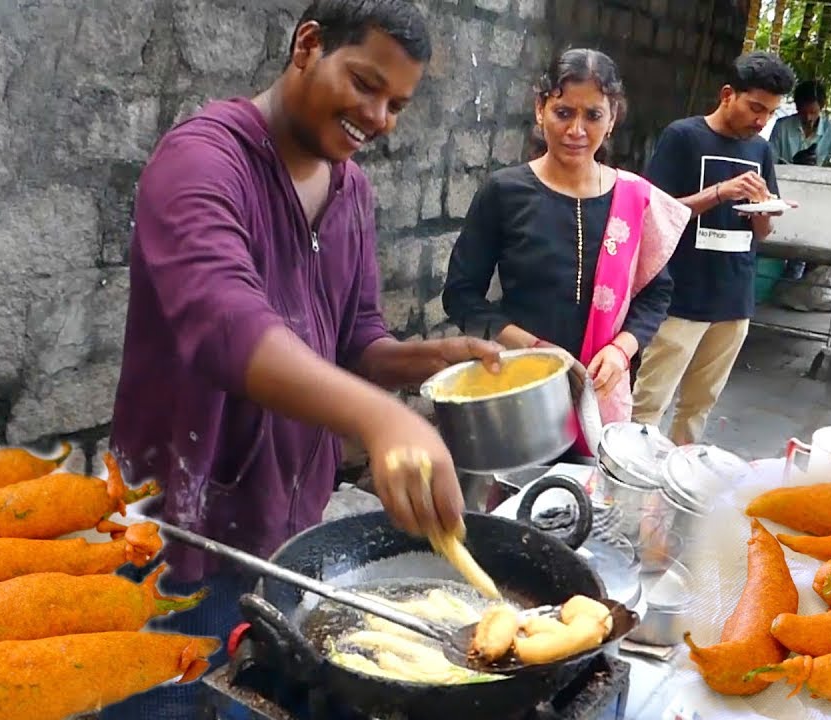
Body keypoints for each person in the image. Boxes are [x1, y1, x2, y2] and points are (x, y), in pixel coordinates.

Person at [104, 1, 502, 716]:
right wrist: (384, 423)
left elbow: (354, 341)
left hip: (289, 534)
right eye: (365, 83)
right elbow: (224, 324)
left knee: (253, 699)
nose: (379, 117)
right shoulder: (200, 161)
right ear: (308, 45)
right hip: (176, 537)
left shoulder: (351, 192)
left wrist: (434, 360)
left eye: (397, 104)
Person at [441, 48, 690, 451]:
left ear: (612, 120)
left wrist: (621, 350)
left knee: (587, 504)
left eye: (593, 115)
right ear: (541, 109)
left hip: (601, 392)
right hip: (521, 386)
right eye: (563, 112)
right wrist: (534, 349)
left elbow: (656, 293)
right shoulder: (505, 191)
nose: (577, 129)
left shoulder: (633, 199)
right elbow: (461, 295)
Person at [631, 51, 796, 445]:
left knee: (699, 405)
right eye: (755, 107)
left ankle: (675, 482)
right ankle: (625, 477)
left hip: (735, 298)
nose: (760, 121)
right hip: (680, 297)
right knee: (648, 404)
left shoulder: (761, 151)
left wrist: (763, 208)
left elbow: (763, 232)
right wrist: (720, 192)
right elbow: (655, 212)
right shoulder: (683, 136)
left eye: (770, 113)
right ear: (727, 94)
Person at [769, 79, 831, 170]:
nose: (808, 117)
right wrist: (792, 166)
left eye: (813, 112)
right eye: (803, 112)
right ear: (797, 107)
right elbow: (769, 162)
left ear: (821, 107)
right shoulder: (782, 127)